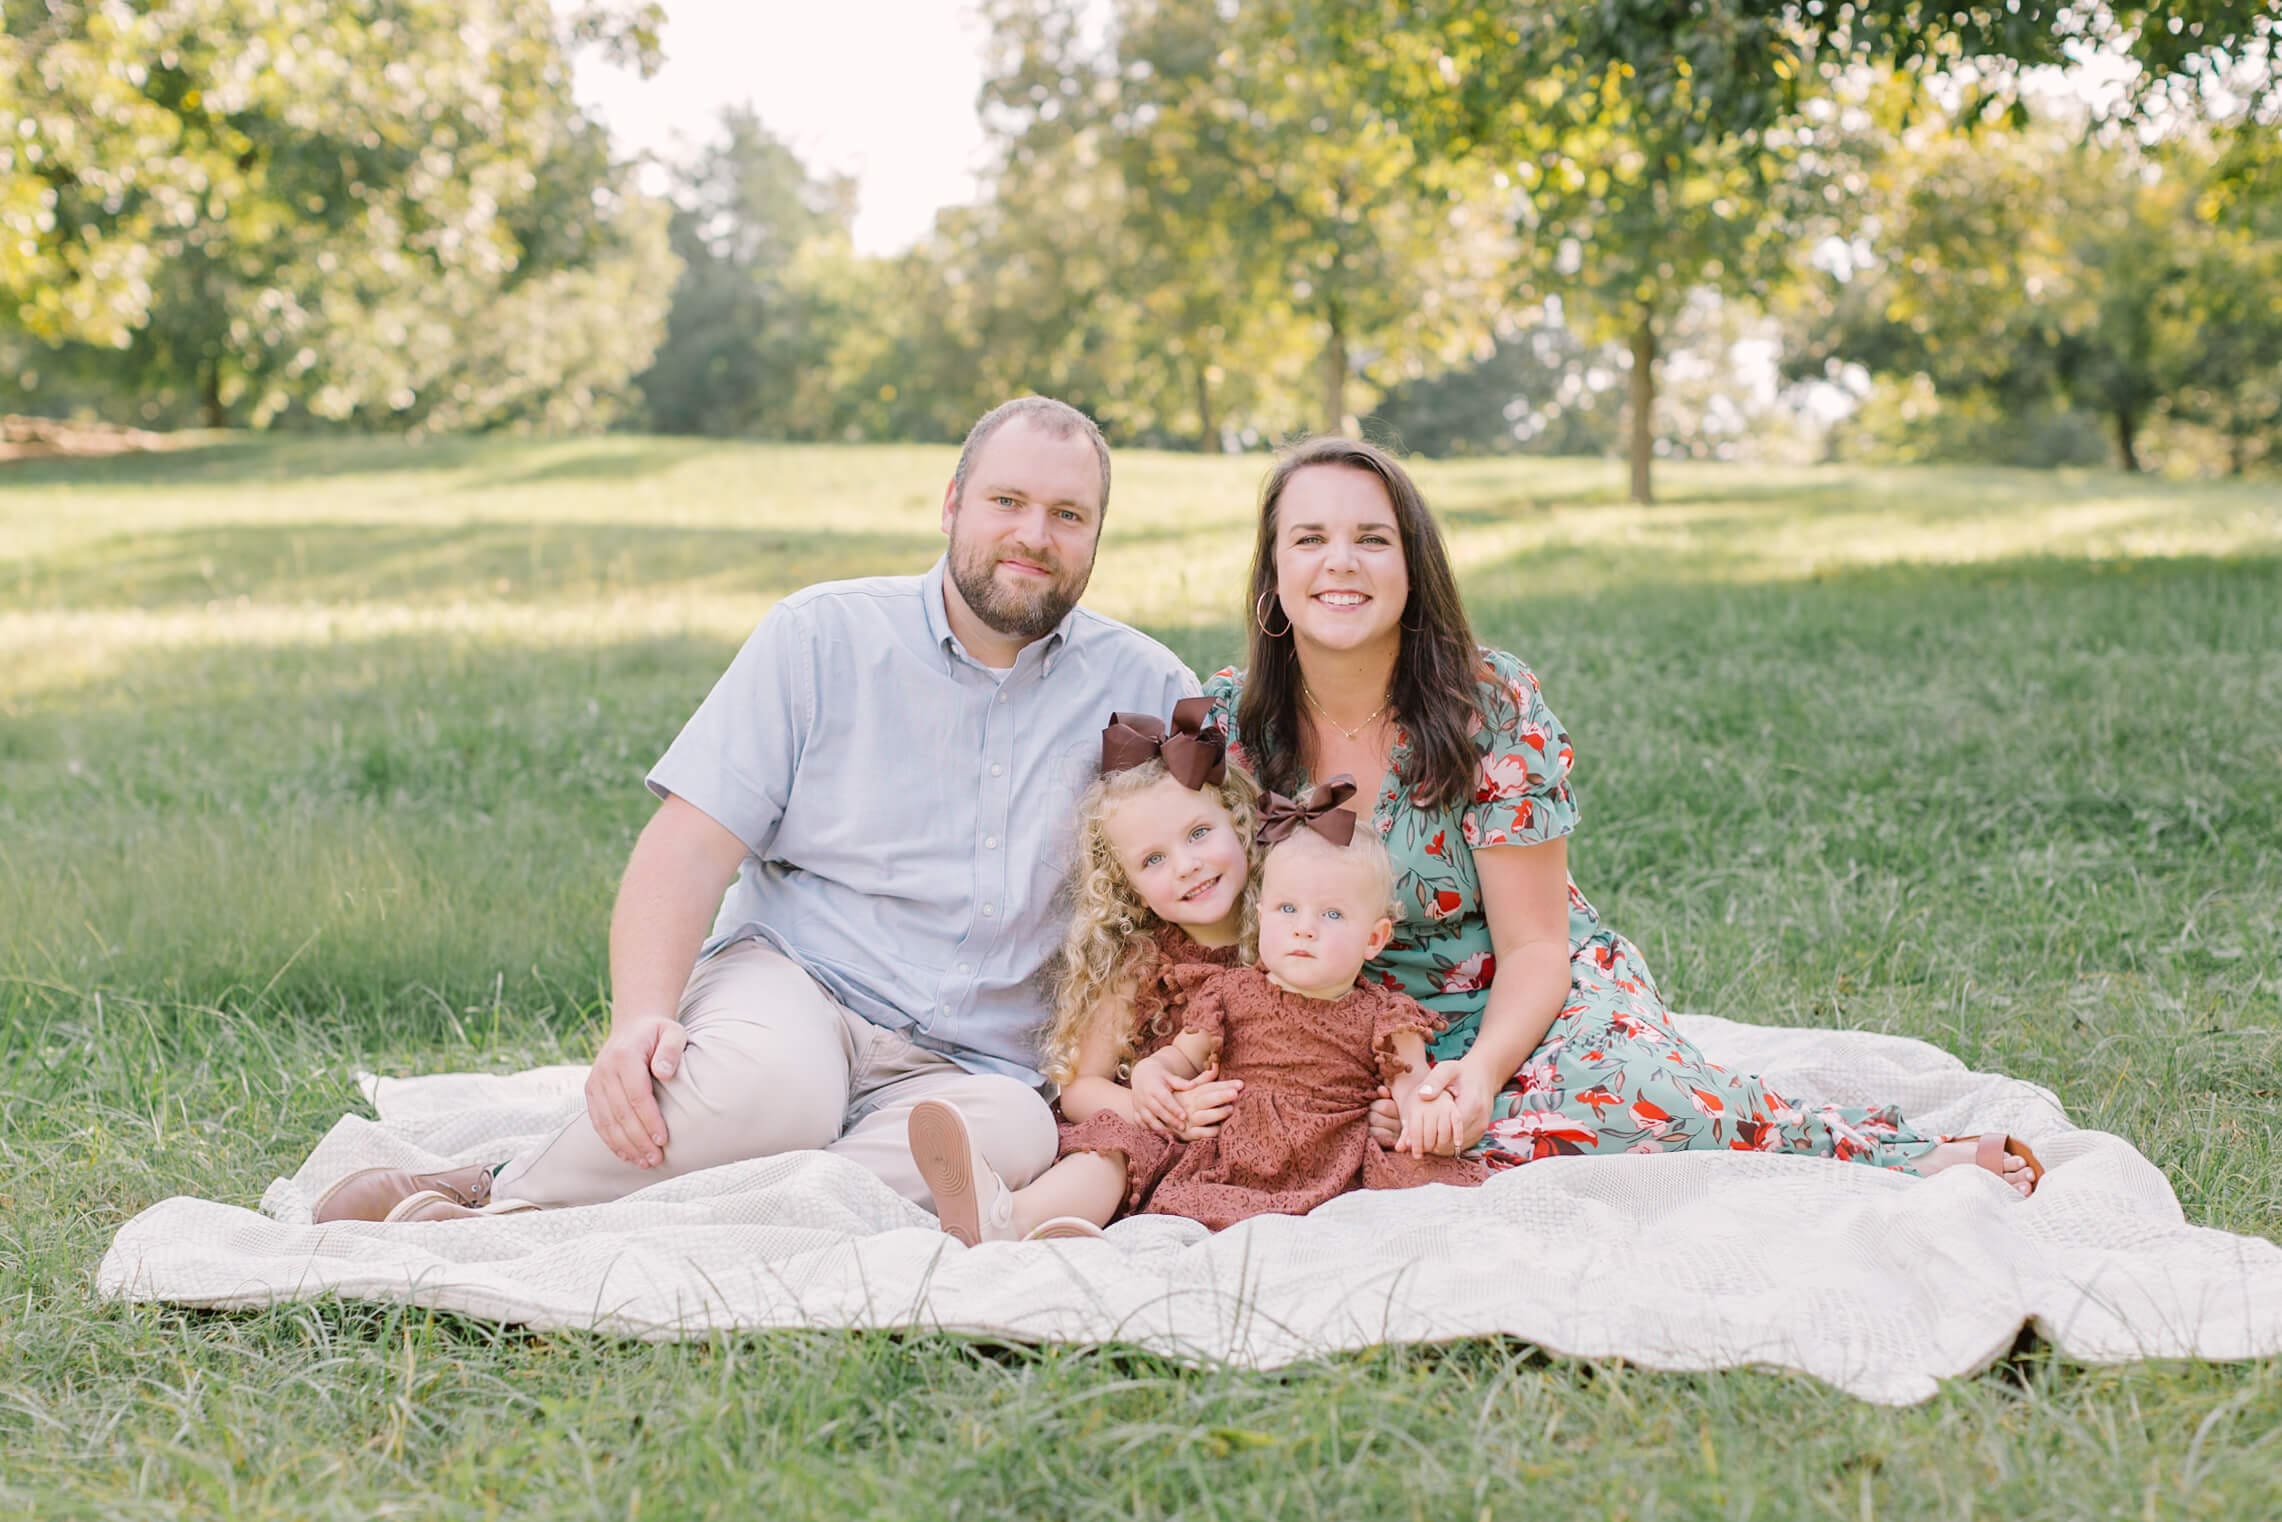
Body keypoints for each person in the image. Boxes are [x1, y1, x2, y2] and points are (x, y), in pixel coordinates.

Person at [313, 396, 1197, 1225]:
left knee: (1012, 1137)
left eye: (1068, 516)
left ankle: (718, 1213)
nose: (1033, 536)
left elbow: (1211, 877)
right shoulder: (820, 636)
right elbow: (689, 850)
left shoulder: (1148, 687)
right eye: (1007, 501)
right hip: (801, 981)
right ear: (953, 505)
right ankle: (496, 1202)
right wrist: (640, 1019)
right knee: (774, 1095)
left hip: (982, 1056)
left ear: (1096, 537)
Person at [1199, 436, 2045, 1196]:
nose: (1339, 562)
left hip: (1514, 1006)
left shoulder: (1485, 707)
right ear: (1273, 576)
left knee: (1629, 1100)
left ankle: (1885, 1156)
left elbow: (1536, 946)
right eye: (1309, 539)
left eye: (1372, 539)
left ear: (1413, 570)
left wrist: (1480, 1077)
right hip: (1326, 1026)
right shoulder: (1237, 725)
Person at [910, 768, 1482, 1241]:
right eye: (1153, 860)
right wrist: (1158, 1106)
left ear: (1240, 825)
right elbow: (1081, 1088)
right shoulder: (1139, 963)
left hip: (1318, 1140)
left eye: (1199, 834)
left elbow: (1402, 1076)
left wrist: (1407, 1110)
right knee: (1117, 1146)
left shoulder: (1304, 930)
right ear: (1126, 886)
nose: (1184, 865)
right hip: (1186, 1139)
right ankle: (1014, 1222)